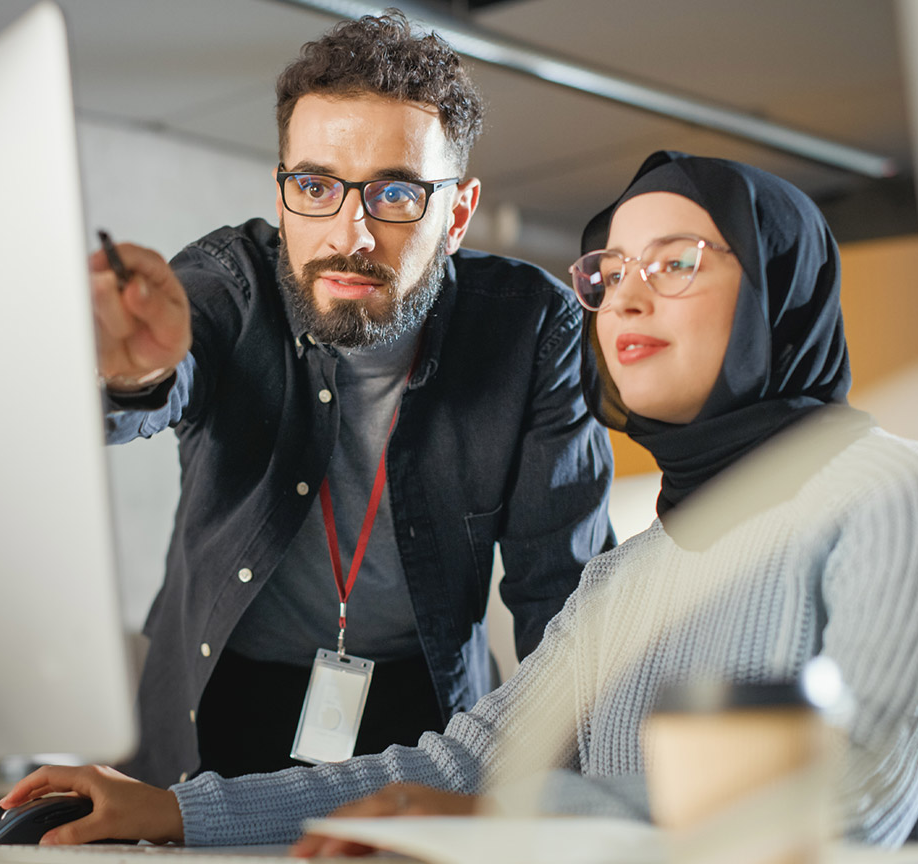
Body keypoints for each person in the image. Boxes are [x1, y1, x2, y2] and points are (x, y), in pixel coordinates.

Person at [0, 151, 918, 859]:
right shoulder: (635, 569)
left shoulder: (901, 491)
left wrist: (497, 828)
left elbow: (853, 807)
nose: (625, 296)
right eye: (609, 270)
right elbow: (465, 760)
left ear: (778, 291)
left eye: (677, 261)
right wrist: (175, 813)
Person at [94, 11, 614, 787]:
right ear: (282, 197)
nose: (352, 234)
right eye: (314, 187)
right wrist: (134, 373)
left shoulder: (532, 330)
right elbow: (160, 382)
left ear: (458, 216)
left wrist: (578, 798)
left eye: (396, 194)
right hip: (217, 697)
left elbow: (565, 601)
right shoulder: (226, 285)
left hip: (424, 710)